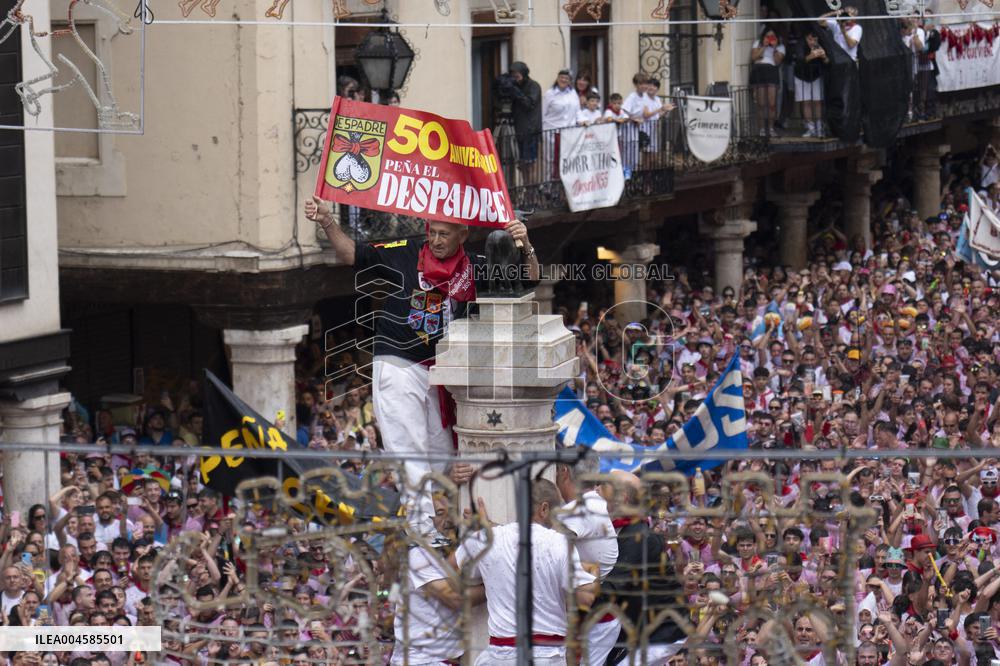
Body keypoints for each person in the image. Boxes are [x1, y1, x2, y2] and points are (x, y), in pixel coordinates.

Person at [304, 197, 539, 538]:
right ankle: (422, 535)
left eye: (445, 233)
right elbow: (351, 254)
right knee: (409, 451)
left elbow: (527, 280)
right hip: (397, 362)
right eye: (433, 232)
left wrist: (525, 244)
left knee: (443, 456)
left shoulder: (474, 266)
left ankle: (450, 523)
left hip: (439, 371)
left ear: (463, 234)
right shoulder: (406, 250)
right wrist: (327, 221)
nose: (437, 240)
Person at [453, 480, 597, 665]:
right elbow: (585, 599)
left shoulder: (486, 539)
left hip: (499, 657)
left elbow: (443, 572)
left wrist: (493, 584)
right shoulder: (560, 544)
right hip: (546, 657)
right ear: (544, 509)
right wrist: (595, 573)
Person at [508, 61, 542, 174]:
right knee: (521, 163)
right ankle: (525, 186)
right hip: (518, 129)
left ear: (524, 74)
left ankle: (531, 188)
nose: (515, 79)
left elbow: (529, 104)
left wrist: (517, 93)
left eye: (517, 76)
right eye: (513, 76)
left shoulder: (534, 86)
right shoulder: (514, 87)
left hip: (530, 131)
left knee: (529, 163)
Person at [750, 27, 786, 136]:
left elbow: (777, 61)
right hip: (760, 71)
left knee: (772, 104)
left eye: (772, 37)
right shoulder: (758, 43)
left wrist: (774, 48)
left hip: (772, 71)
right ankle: (761, 129)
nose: (769, 39)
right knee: (761, 104)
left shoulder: (780, 46)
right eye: (767, 36)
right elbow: (754, 57)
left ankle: (770, 128)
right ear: (763, 36)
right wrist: (764, 47)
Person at [793, 31, 828, 138]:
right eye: (810, 39)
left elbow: (828, 62)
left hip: (816, 75)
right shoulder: (800, 45)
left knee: (817, 102)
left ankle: (819, 127)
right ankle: (810, 128)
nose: (813, 42)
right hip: (801, 75)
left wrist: (824, 56)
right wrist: (811, 56)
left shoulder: (822, 44)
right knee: (806, 101)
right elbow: (799, 60)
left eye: (815, 39)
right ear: (805, 38)